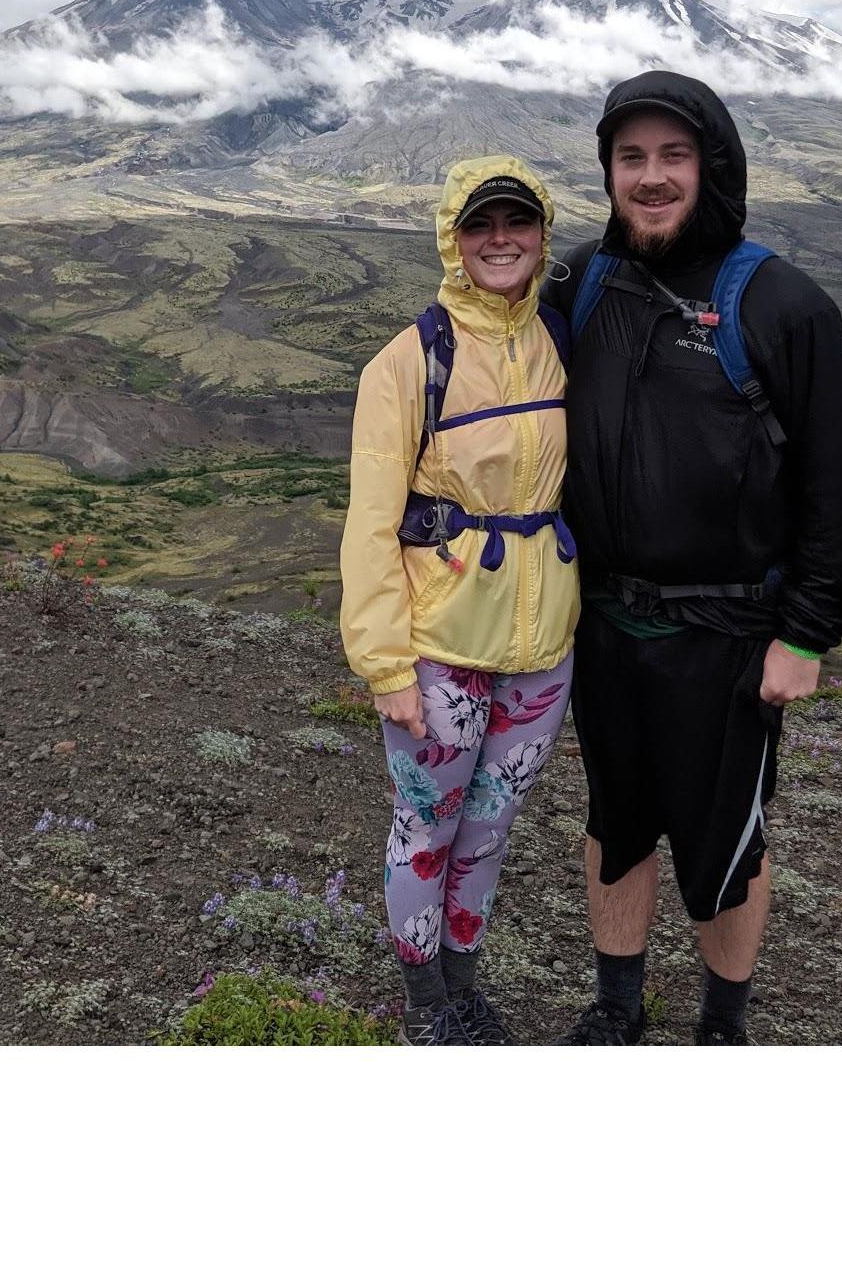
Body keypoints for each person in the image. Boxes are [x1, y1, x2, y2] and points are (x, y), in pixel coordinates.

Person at [543, 71, 842, 1045]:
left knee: (726, 833)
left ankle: (722, 1027)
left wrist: (805, 635)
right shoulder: (580, 283)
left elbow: (837, 481)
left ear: (713, 165)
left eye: (672, 156)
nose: (650, 177)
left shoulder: (783, 306)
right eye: (630, 157)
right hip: (604, 621)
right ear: (608, 170)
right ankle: (617, 1006)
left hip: (730, 633)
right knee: (618, 817)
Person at [340, 155, 582, 1045]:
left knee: (489, 832)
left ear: (542, 234)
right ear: (452, 239)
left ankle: (465, 987)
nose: (500, 240)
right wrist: (385, 668)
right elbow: (368, 527)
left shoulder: (562, 340)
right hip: (440, 647)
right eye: (480, 225)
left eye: (517, 223)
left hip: (543, 651)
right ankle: (425, 1008)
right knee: (428, 830)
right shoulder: (408, 363)